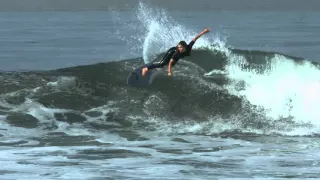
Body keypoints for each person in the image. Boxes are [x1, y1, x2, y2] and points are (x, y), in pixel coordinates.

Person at [142, 27, 211, 76]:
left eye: (180, 47)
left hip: (179, 55)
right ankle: (146, 69)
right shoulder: (177, 52)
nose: (179, 48)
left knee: (173, 64)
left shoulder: (189, 46)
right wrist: (169, 72)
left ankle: (159, 67)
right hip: (171, 51)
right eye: (178, 47)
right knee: (162, 64)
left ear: (184, 47)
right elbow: (170, 62)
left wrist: (204, 31)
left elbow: (195, 38)